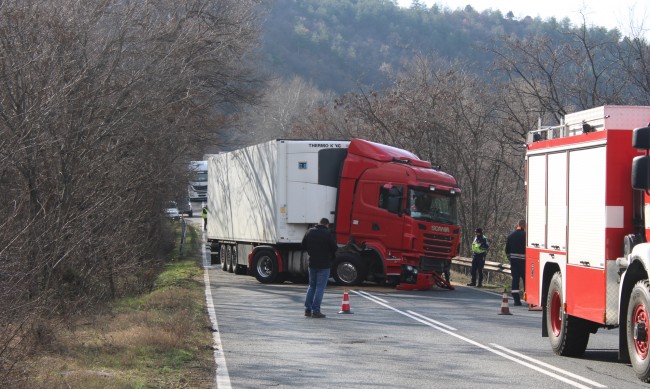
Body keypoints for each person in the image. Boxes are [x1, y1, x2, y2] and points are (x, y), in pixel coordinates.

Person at [302, 218, 338, 318]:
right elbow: (334, 248)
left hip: (312, 263)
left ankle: (307, 310)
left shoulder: (309, 232)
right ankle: (316, 311)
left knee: (312, 286)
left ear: (319, 223)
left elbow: (303, 245)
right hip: (324, 265)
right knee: (320, 287)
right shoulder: (327, 234)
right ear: (327, 225)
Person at [505, 219, 526, 306]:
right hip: (524, 262)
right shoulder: (526, 236)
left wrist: (511, 259)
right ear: (524, 226)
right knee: (526, 281)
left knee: (515, 280)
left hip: (514, 261)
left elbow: (507, 250)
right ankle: (529, 299)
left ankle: (516, 300)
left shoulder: (511, 236)